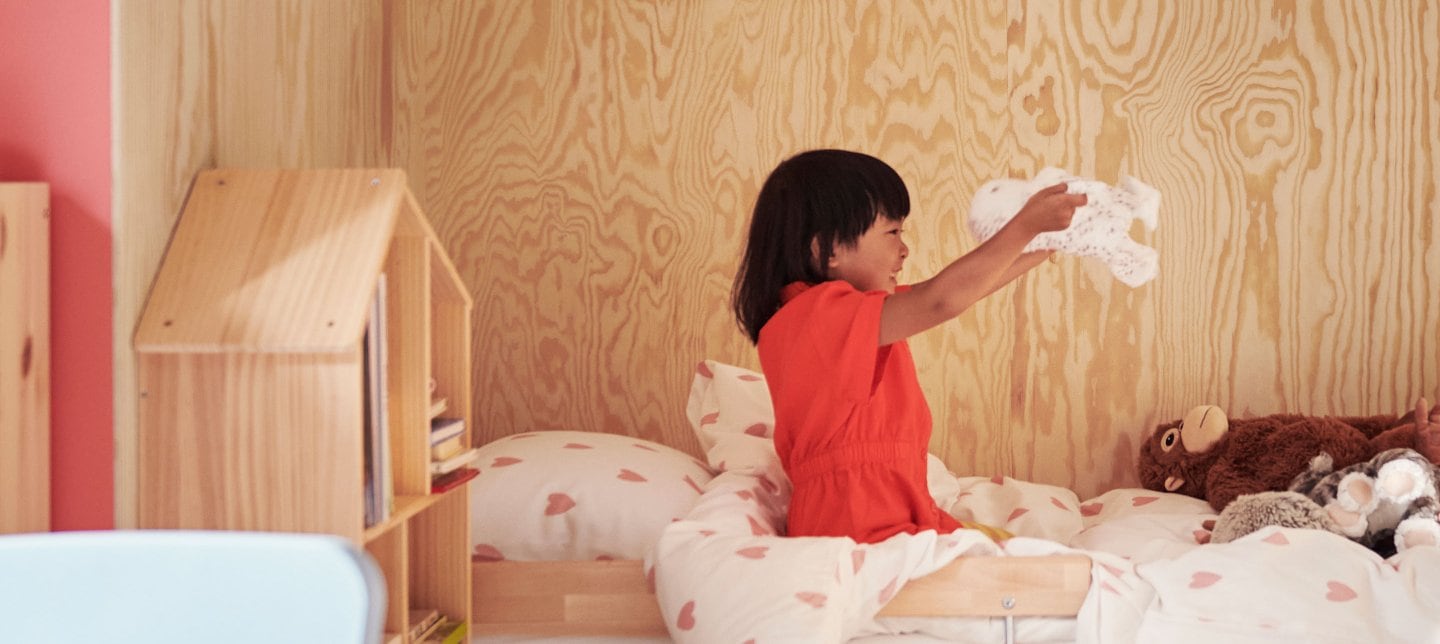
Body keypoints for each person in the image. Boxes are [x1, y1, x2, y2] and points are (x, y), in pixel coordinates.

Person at [731, 149, 1086, 544]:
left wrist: (1042, 248)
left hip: (885, 509)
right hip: (857, 520)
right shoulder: (817, 318)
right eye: (893, 232)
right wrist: (1025, 226)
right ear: (826, 249)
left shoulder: (836, 318)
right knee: (1023, 564)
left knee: (1016, 549)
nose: (904, 250)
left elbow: (957, 291)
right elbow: (941, 299)